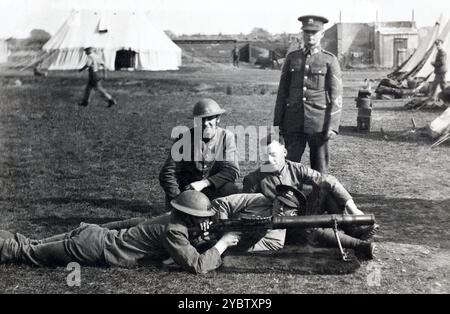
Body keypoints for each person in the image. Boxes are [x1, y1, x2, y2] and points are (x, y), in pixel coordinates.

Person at [0, 191, 241, 274]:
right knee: (25, 252)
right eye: (201, 218)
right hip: (92, 248)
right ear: (189, 216)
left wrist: (96, 228)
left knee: (28, 242)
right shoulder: (174, 231)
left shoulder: (170, 218)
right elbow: (197, 265)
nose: (204, 222)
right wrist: (223, 243)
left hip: (91, 235)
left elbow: (135, 221)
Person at [243, 135, 377, 241]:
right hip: (279, 223)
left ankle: (353, 230)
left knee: (325, 189)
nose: (270, 160)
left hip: (302, 214)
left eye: (273, 154)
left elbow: (328, 180)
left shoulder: (296, 168)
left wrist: (353, 208)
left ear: (284, 152)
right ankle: (351, 238)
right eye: (266, 156)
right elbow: (246, 209)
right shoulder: (254, 179)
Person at [211, 184, 375, 258]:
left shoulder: (276, 239)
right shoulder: (258, 199)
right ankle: (359, 241)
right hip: (213, 225)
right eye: (279, 202)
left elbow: (243, 249)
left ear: (294, 213)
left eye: (287, 207)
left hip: (228, 241)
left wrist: (255, 233)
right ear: (274, 199)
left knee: (312, 229)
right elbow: (221, 203)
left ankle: (361, 244)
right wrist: (224, 225)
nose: (281, 208)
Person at [274, 15, 343, 174]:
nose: (310, 36)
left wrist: (332, 126)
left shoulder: (329, 60)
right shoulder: (292, 58)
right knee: (288, 165)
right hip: (293, 121)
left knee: (319, 168)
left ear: (322, 34)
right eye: (307, 32)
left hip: (319, 123)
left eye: (314, 32)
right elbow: (282, 94)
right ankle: (287, 196)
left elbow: (337, 96)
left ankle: (319, 197)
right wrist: (278, 124)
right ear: (302, 34)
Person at [159, 98, 240, 208]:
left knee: (231, 189)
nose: (206, 123)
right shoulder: (185, 138)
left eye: (210, 118)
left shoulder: (226, 137)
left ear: (218, 119)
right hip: (187, 192)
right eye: (201, 119)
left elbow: (232, 170)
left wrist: (204, 183)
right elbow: (167, 173)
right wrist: (179, 199)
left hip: (211, 189)